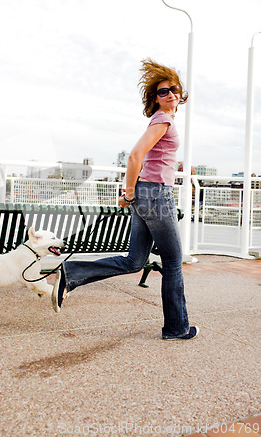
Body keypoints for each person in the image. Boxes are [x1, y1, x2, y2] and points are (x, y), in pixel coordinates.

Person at [51, 58, 199, 341]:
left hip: (148, 193)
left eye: (174, 89)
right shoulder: (163, 119)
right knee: (173, 262)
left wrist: (132, 193)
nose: (170, 94)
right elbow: (135, 155)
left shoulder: (160, 119)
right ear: (155, 98)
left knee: (134, 261)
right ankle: (177, 327)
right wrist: (130, 193)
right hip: (156, 195)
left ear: (180, 92)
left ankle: (72, 272)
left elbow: (145, 162)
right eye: (162, 91)